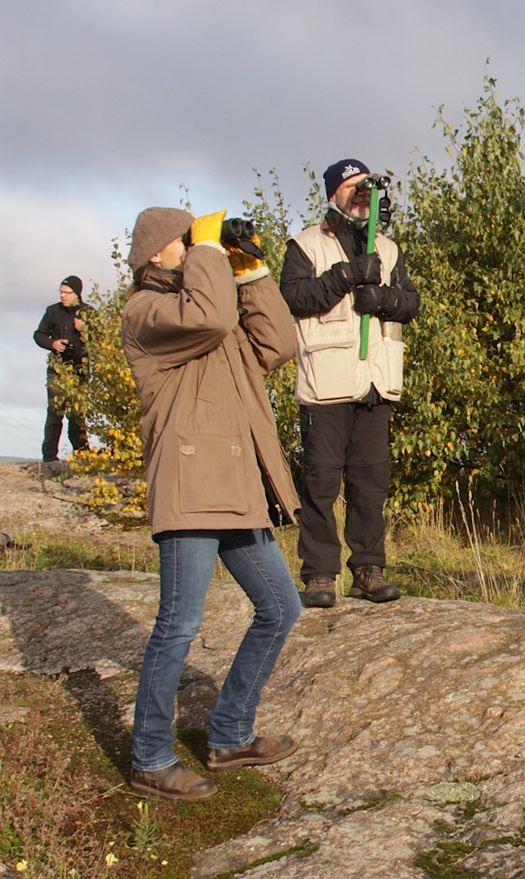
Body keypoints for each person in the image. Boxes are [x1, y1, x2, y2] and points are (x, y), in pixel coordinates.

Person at [121, 206, 302, 800]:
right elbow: (211, 313)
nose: (199, 246)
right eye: (185, 240)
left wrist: (251, 272)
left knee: (281, 607)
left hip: (236, 489)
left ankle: (229, 734)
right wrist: (207, 248)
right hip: (191, 488)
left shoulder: (206, 305)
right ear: (154, 252)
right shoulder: (148, 314)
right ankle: (149, 756)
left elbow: (276, 344)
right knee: (179, 625)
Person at [280, 159, 420, 608]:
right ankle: (320, 574)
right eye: (353, 187)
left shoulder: (388, 248)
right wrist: (346, 276)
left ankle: (368, 569)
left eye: (368, 188)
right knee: (321, 482)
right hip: (327, 381)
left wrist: (383, 298)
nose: (363, 194)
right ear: (333, 194)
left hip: (377, 381)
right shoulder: (305, 245)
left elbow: (411, 303)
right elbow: (294, 299)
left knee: (370, 482)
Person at [32, 274, 92, 462]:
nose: (62, 295)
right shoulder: (52, 311)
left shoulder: (89, 313)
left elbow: (103, 339)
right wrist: (53, 344)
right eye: (61, 291)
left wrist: (86, 330)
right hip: (57, 370)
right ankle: (49, 457)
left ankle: (82, 455)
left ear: (77, 294)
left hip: (79, 369)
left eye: (67, 292)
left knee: (77, 415)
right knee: (55, 413)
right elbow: (38, 335)